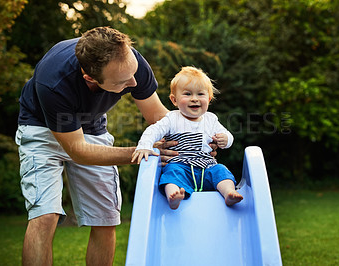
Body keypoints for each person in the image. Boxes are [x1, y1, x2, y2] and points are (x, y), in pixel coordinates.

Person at [15, 26, 175, 266]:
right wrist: (141, 151)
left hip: (91, 127)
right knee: (45, 215)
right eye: (123, 81)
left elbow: (158, 116)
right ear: (89, 78)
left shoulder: (130, 64)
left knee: (106, 217)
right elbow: (78, 151)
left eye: (133, 73)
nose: (133, 82)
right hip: (41, 128)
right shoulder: (54, 82)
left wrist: (196, 138)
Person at [132, 66, 243, 210]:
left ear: (209, 99)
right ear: (174, 100)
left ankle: (229, 193)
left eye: (200, 94)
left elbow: (228, 135)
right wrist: (145, 145)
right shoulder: (172, 118)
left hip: (207, 166)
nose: (194, 99)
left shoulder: (211, 119)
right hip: (181, 165)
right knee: (171, 173)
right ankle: (174, 196)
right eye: (187, 94)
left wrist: (226, 139)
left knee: (221, 171)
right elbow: (154, 130)